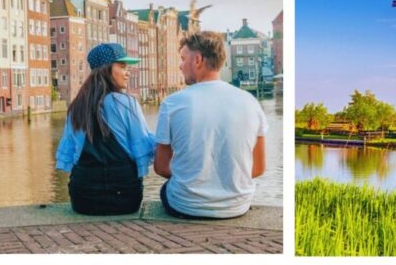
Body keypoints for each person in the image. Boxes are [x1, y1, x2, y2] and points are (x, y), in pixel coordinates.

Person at [154, 31, 267, 219]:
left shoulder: (172, 103)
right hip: (237, 205)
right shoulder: (250, 102)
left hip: (185, 204)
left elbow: (161, 167)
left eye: (183, 59)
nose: (180, 66)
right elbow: (258, 168)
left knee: (167, 189)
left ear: (197, 60)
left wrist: (194, 179)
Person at [55, 42, 156, 215]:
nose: (128, 72)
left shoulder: (76, 107)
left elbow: (71, 157)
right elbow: (143, 148)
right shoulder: (127, 104)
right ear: (107, 69)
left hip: (83, 199)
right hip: (125, 198)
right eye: (123, 66)